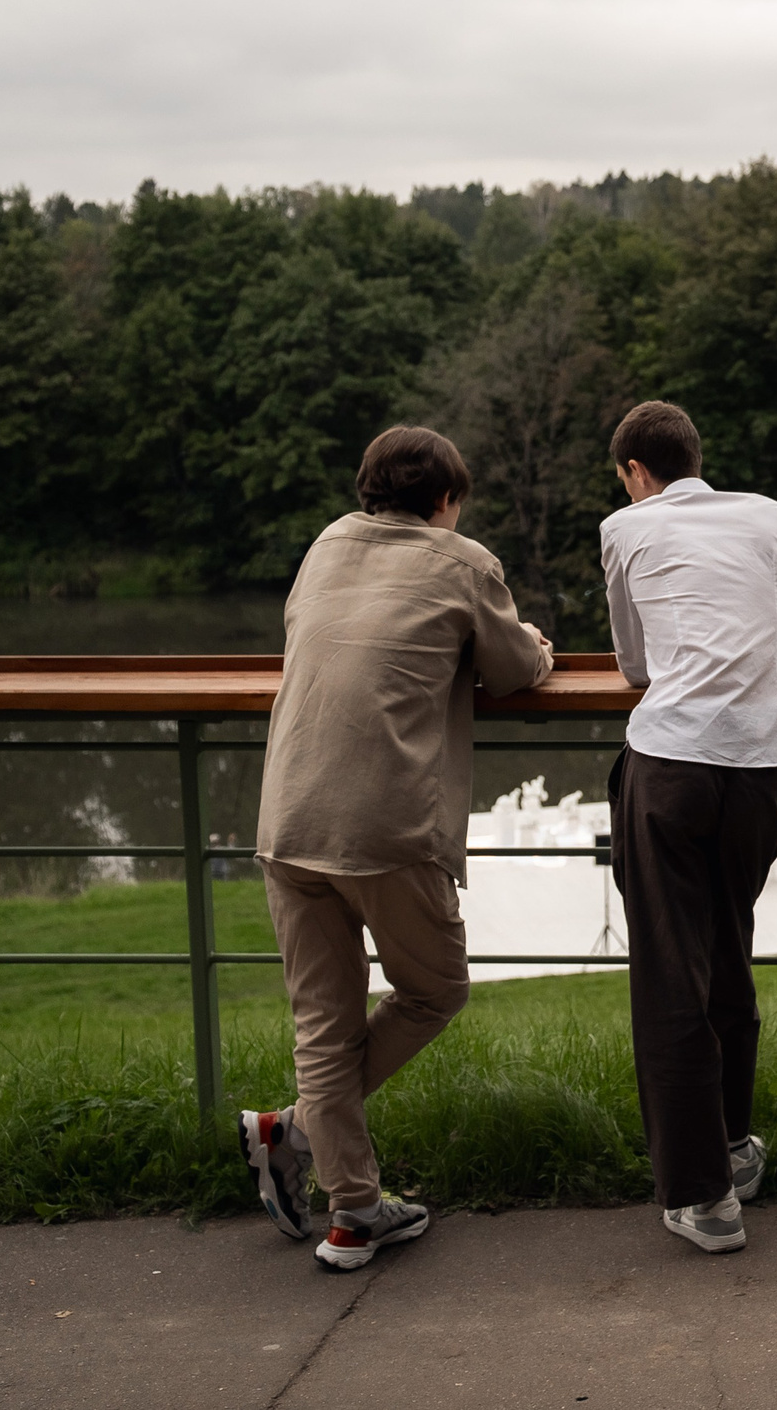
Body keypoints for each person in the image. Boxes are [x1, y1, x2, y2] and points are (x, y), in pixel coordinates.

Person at [241, 426, 555, 1271]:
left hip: (290, 815)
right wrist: (543, 647)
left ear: (367, 489)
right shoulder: (464, 563)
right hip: (384, 827)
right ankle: (299, 1132)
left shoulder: (326, 543)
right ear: (448, 500)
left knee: (322, 1026)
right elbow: (516, 666)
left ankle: (351, 1211)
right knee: (435, 990)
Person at [600, 399, 777, 1255]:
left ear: (636, 473)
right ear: (695, 455)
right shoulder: (775, 517)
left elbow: (634, 662)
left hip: (674, 758)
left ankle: (702, 1197)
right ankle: (728, 1145)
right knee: (726, 949)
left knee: (668, 974)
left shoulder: (626, 526)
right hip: (760, 763)